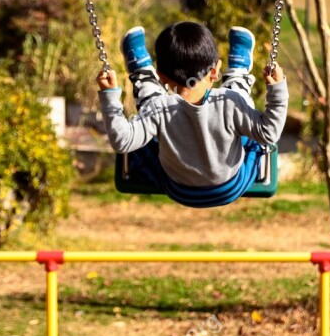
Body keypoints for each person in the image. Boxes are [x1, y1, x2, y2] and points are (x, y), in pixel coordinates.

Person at [97, 22, 288, 207]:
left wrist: (109, 96)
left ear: (161, 77)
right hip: (229, 187)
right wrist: (277, 89)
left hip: (179, 189)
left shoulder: (160, 108)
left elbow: (122, 141)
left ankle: (142, 72)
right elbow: (269, 133)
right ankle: (238, 71)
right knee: (239, 97)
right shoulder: (230, 102)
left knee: (151, 103)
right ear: (214, 72)